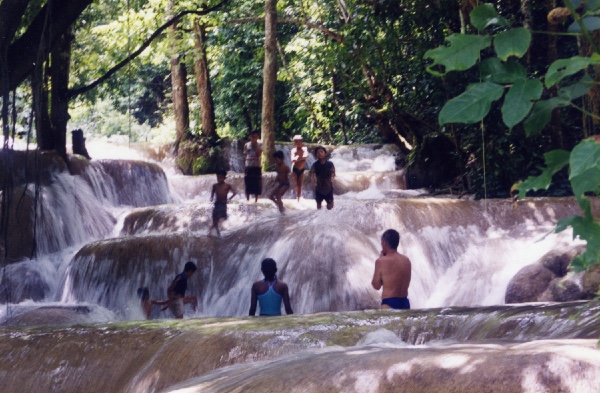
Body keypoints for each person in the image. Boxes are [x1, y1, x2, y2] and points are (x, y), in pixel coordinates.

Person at [371, 229, 412, 310]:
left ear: (384, 243)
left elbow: (376, 286)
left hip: (389, 303)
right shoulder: (407, 260)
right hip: (405, 303)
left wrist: (381, 259)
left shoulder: (380, 261)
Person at [209, 169, 237, 236]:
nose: (219, 179)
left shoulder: (227, 186)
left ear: (224, 178)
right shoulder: (215, 186)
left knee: (218, 219)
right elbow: (212, 194)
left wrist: (229, 199)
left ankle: (210, 231)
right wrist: (211, 198)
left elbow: (235, 192)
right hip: (217, 204)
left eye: (221, 177)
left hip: (223, 204)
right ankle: (218, 233)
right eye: (218, 177)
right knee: (214, 218)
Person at [309, 145, 336, 210]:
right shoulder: (315, 165)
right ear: (315, 155)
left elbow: (333, 172)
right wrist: (312, 181)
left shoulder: (330, 164)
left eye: (321, 152)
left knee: (330, 207)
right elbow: (312, 173)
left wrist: (332, 178)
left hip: (328, 188)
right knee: (318, 205)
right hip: (319, 188)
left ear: (325, 153)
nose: (319, 154)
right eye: (318, 153)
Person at [243, 129, 263, 202]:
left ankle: (256, 200)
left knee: (257, 182)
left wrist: (255, 145)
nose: (254, 138)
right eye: (252, 136)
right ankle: (247, 199)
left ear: (258, 137)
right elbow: (245, 154)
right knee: (248, 182)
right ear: (250, 137)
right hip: (248, 166)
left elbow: (259, 154)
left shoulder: (260, 144)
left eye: (255, 136)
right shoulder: (246, 145)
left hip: (257, 166)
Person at [290, 135, 309, 201]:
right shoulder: (293, 150)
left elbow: (306, 156)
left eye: (299, 142)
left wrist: (298, 158)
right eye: (296, 142)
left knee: (300, 184)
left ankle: (299, 197)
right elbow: (292, 159)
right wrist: (298, 158)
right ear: (294, 143)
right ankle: (297, 196)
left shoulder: (304, 149)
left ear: (302, 142)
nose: (298, 144)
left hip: (301, 169)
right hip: (294, 169)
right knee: (296, 184)